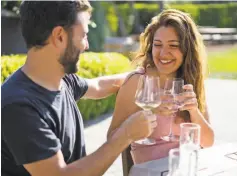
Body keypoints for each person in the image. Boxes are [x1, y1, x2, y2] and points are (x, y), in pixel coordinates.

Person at [1, 1, 158, 176]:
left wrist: (144, 75)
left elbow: (98, 86)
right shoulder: (18, 106)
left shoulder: (61, 79)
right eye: (83, 35)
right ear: (59, 36)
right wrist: (125, 135)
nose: (87, 45)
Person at [107, 9, 215, 164]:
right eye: (158, 44)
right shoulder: (137, 82)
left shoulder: (190, 81)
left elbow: (208, 142)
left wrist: (194, 111)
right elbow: (111, 139)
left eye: (173, 45)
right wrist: (147, 113)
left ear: (187, 50)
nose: (164, 53)